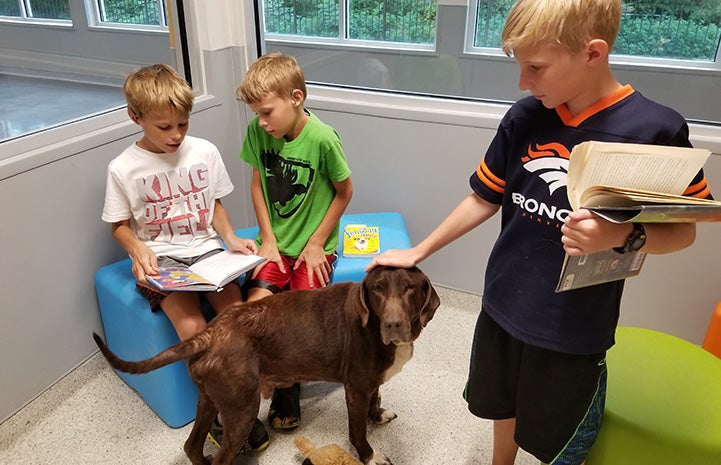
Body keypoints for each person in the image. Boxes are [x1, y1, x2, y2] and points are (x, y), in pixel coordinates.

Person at [367, 1, 713, 464]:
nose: (523, 83)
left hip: (575, 326)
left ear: (593, 53)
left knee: (565, 435)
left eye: (536, 67)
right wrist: (418, 250)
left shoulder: (655, 130)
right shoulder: (525, 117)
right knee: (502, 402)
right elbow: (483, 197)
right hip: (505, 302)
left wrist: (620, 236)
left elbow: (684, 232)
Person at [101, 64, 269, 454]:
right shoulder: (123, 168)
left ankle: (242, 401)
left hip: (208, 250)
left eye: (183, 123)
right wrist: (136, 248)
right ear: (135, 117)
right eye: (164, 127)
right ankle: (222, 415)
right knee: (194, 326)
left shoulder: (204, 151)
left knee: (236, 320)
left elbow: (214, 205)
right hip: (163, 261)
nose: (176, 135)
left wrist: (230, 238)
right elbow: (119, 226)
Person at [236, 51, 354, 431]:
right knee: (255, 315)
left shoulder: (322, 138)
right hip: (275, 244)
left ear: (296, 98)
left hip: (312, 248)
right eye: (256, 112)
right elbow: (256, 184)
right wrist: (267, 239)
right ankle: (247, 394)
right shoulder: (258, 132)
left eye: (267, 111)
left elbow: (344, 192)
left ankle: (288, 389)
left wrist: (318, 242)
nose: (262, 121)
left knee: (299, 323)